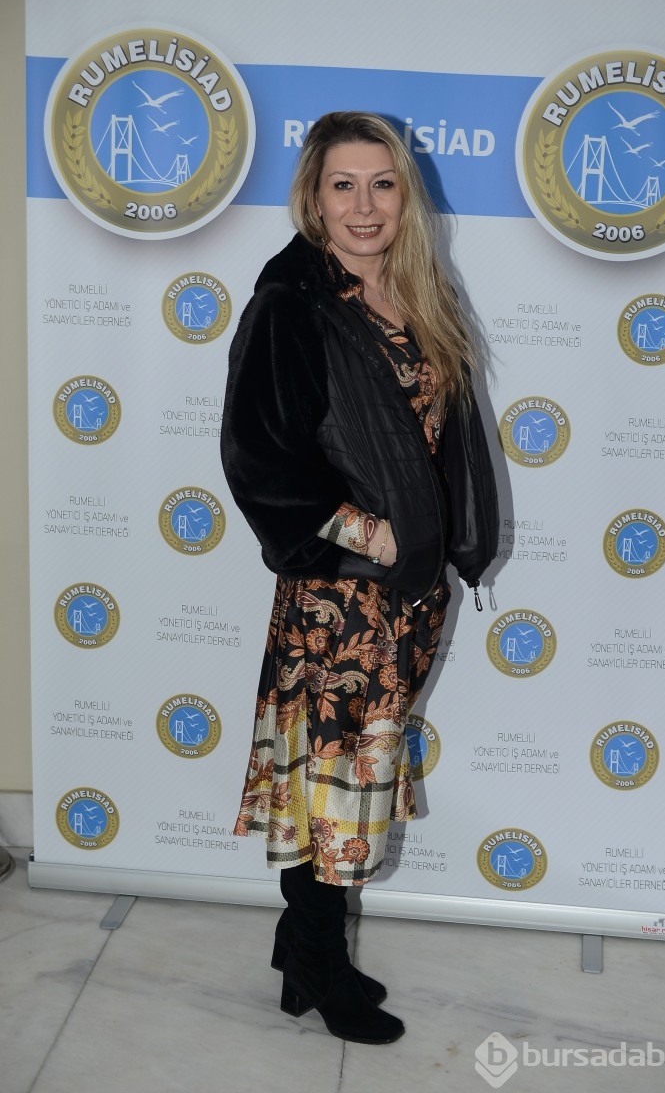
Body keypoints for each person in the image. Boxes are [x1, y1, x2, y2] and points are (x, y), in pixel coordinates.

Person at [220, 111, 499, 1045]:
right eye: (344, 184)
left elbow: (444, 438)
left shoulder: (420, 292)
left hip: (409, 594)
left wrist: (437, 545)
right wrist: (366, 533)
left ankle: (299, 945)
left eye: (383, 184)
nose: (365, 205)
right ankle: (317, 963)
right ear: (313, 196)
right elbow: (259, 455)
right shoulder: (292, 304)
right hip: (339, 600)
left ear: (405, 196)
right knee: (336, 790)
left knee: (347, 778)